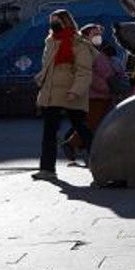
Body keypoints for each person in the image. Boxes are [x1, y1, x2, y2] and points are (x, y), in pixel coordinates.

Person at [32, 9, 97, 181]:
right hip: (52, 93)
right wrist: (40, 81)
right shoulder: (51, 41)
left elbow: (84, 71)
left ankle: (99, 159)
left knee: (81, 128)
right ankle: (47, 169)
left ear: (66, 21)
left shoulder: (79, 43)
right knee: (49, 132)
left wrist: (75, 91)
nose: (53, 24)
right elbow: (47, 68)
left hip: (71, 93)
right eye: (51, 20)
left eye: (57, 21)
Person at [63, 26, 114, 162]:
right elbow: (89, 75)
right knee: (92, 124)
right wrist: (104, 87)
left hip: (101, 94)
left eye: (99, 33)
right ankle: (72, 144)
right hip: (95, 95)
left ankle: (80, 146)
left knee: (95, 124)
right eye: (94, 33)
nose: (98, 36)